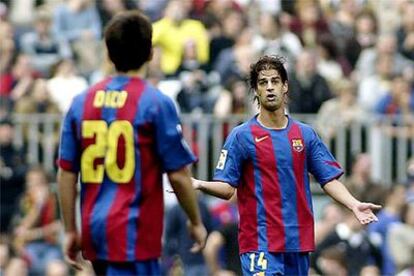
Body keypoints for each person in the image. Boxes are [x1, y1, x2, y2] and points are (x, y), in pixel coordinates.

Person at [192, 55, 381, 275]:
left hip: (297, 243)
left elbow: (328, 178)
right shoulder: (241, 136)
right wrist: (197, 184)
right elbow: (226, 189)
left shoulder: (305, 134)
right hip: (259, 243)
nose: (270, 87)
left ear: (285, 86)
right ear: (256, 90)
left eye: (275, 81)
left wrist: (353, 204)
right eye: (263, 83)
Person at [57, 10, 207, 276]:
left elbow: (67, 172)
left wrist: (70, 228)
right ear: (150, 53)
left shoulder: (81, 103)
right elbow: (179, 175)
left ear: (108, 53)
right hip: (134, 233)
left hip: (94, 231)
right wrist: (195, 221)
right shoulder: (156, 103)